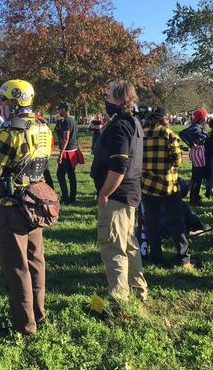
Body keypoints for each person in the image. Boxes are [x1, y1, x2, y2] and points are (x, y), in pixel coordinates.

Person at [0, 79, 53, 334]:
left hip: (12, 206)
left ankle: (24, 325)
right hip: (35, 203)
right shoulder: (44, 128)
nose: (1, 106)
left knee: (16, 265)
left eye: (4, 101)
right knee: (36, 260)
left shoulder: (11, 132)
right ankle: (39, 313)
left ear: (14, 102)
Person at [90, 80, 148, 303]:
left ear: (119, 99)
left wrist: (105, 193)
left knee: (113, 246)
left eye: (108, 95)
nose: (105, 99)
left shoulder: (120, 126)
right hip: (130, 193)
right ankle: (137, 291)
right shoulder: (133, 123)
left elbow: (119, 166)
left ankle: (118, 301)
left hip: (117, 195)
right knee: (129, 244)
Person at [141, 107, 194, 267]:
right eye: (167, 118)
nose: (169, 120)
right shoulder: (169, 134)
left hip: (148, 185)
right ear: (162, 118)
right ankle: (183, 258)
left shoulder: (141, 134)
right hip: (168, 186)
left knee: (152, 223)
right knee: (177, 222)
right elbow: (177, 161)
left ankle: (156, 256)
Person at [179, 109, 208, 205]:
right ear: (202, 118)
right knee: (197, 177)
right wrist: (191, 144)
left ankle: (194, 195)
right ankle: (194, 197)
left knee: (196, 177)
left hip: (198, 153)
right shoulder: (197, 128)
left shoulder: (197, 127)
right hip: (198, 153)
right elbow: (182, 133)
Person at [56, 101, 78, 204]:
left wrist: (61, 154)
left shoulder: (66, 121)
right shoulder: (73, 120)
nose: (59, 111)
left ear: (64, 109)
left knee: (60, 174)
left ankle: (65, 198)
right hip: (74, 150)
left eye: (60, 109)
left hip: (67, 152)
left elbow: (66, 138)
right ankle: (72, 197)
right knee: (71, 174)